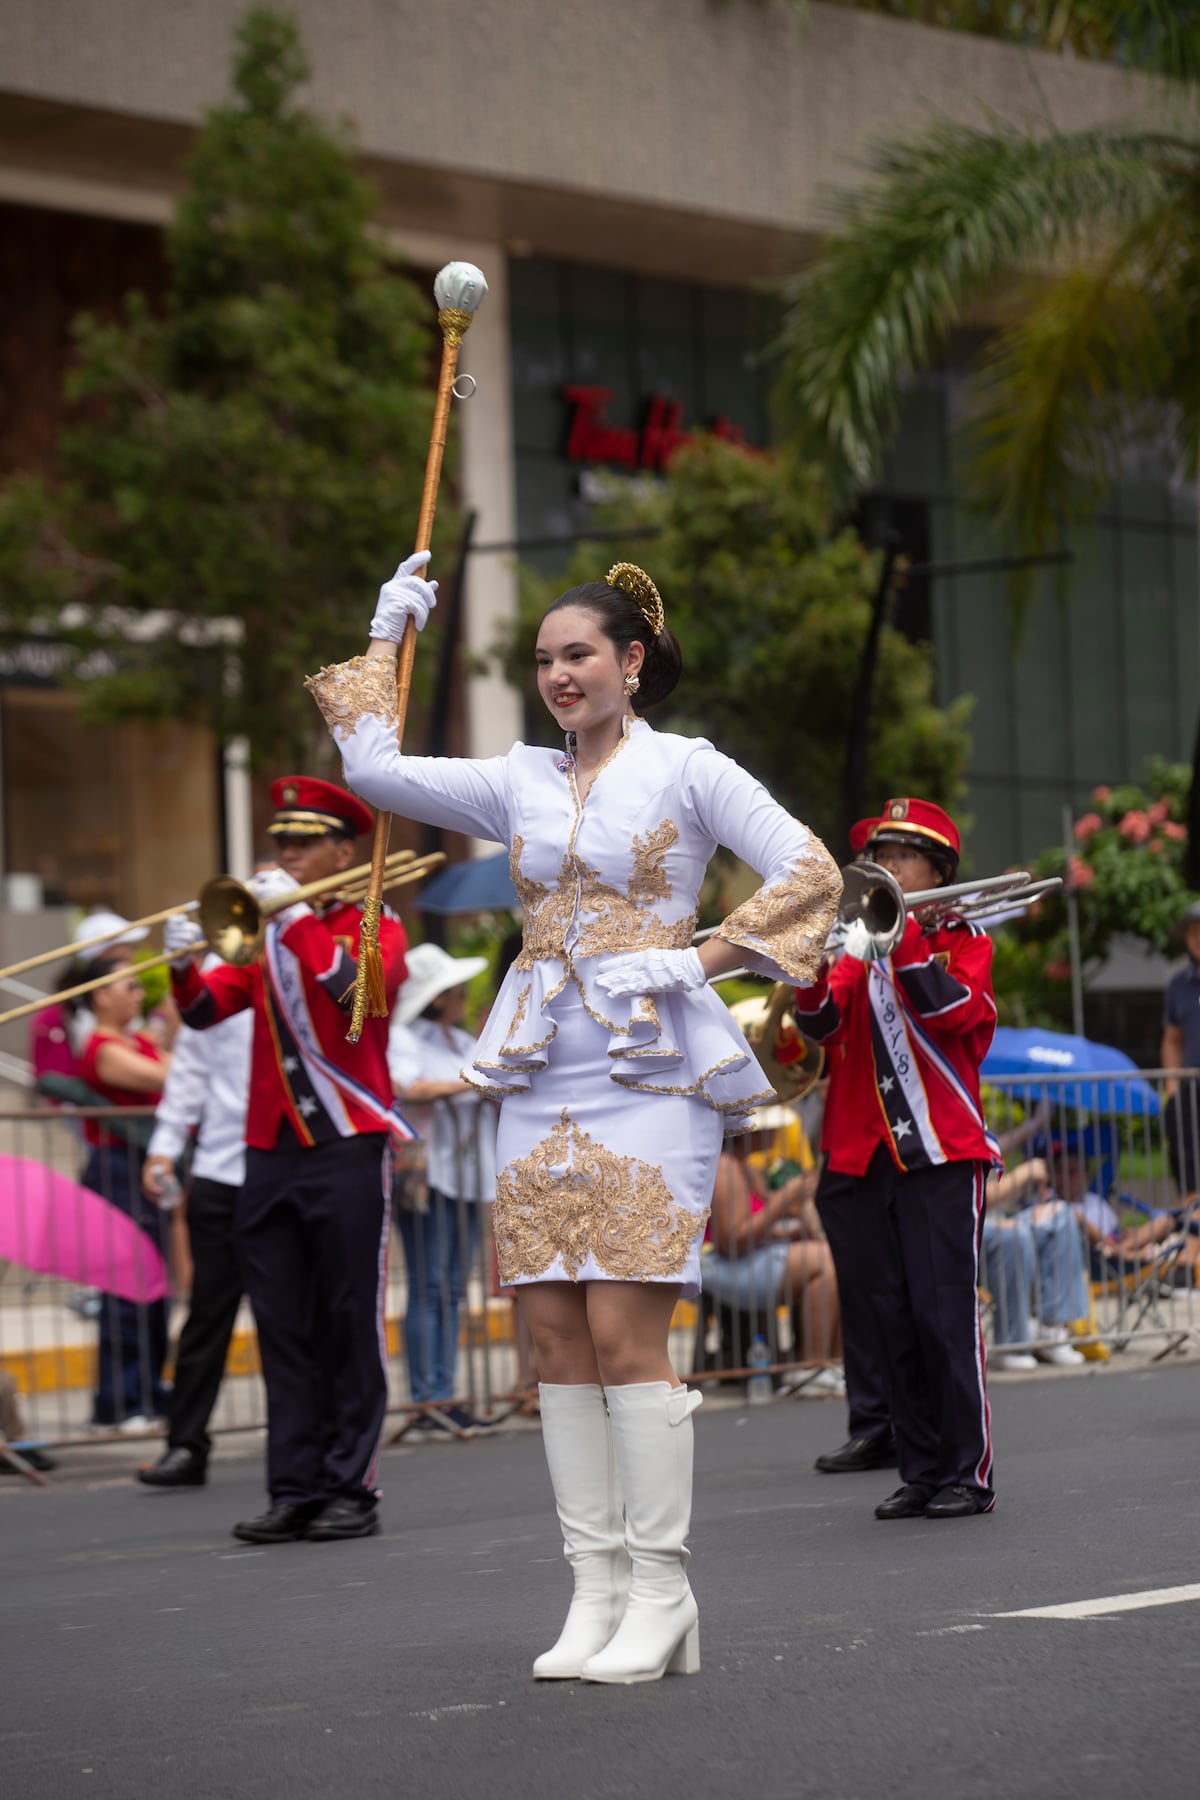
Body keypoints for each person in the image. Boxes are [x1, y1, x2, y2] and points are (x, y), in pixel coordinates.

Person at [306, 553, 840, 1683]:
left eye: (579, 654)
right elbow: (374, 770)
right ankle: (596, 1593)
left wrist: (693, 958)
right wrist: (385, 630)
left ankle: (663, 1590)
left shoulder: (690, 769)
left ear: (632, 663)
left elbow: (809, 872)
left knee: (622, 1337)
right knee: (551, 1340)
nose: (559, 674)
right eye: (545, 659)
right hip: (540, 1070)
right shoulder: (519, 781)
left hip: (650, 1073)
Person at [163, 778, 409, 1545]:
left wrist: (297, 915)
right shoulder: (264, 934)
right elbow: (208, 1012)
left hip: (344, 1144)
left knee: (347, 1317)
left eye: (304, 843)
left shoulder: (377, 923)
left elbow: (356, 995)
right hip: (268, 1152)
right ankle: (295, 1485)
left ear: (345, 850)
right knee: (283, 1326)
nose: (287, 856)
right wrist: (178, 967)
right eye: (282, 844)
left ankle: (351, 1487)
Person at [792, 797, 998, 1521]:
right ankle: (919, 1468)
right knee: (892, 1321)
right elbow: (820, 1024)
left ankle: (966, 1474)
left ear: (936, 870)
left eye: (901, 855)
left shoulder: (964, 940)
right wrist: (807, 969)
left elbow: (951, 1012)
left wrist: (900, 934)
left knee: (944, 1318)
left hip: (942, 1152)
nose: (884, 864)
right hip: (875, 1157)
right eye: (879, 852)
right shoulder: (859, 945)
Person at [136, 951, 255, 1488]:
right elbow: (188, 1072)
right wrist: (164, 1147)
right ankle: (186, 1444)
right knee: (207, 1313)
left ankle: (313, 1446)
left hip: (291, 1167)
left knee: (299, 1314)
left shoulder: (307, 953)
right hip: (221, 1167)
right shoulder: (214, 977)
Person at [387, 941, 498, 1437]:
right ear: (436, 997)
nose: (461, 996)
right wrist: (472, 1082)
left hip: (464, 1176)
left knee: (450, 1289)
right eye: (453, 990)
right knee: (430, 1287)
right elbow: (409, 1087)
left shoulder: (454, 1041)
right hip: (428, 1176)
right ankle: (425, 1398)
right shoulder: (405, 1038)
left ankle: (443, 1393)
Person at [69, 956, 172, 1432]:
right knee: (125, 1290)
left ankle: (149, 1390)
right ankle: (120, 1399)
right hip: (114, 1170)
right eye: (127, 986)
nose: (136, 994)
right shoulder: (102, 1047)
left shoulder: (138, 1040)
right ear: (100, 996)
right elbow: (164, 1078)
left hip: (144, 1168)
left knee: (154, 1289)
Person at [702, 1106, 842, 1385]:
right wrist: (782, 1201)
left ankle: (831, 1364)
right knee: (825, 1261)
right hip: (721, 1266)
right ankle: (812, 1367)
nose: (777, 1134)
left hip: (743, 1260)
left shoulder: (744, 1167)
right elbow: (733, 1241)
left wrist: (788, 1230)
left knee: (832, 1257)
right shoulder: (726, 1168)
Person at [980, 1156, 1089, 1371]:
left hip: (991, 1224)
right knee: (1014, 1235)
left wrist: (1036, 1124)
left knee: (1060, 1214)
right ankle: (1013, 1345)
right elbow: (971, 1199)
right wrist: (1025, 1173)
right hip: (962, 1233)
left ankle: (1051, 1330)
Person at [1160, 899, 1200, 1211]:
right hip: (1191, 1086)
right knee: (1185, 1155)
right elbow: (1173, 1039)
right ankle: (1192, 1219)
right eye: (1192, 932)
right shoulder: (1179, 985)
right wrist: (1173, 1089)